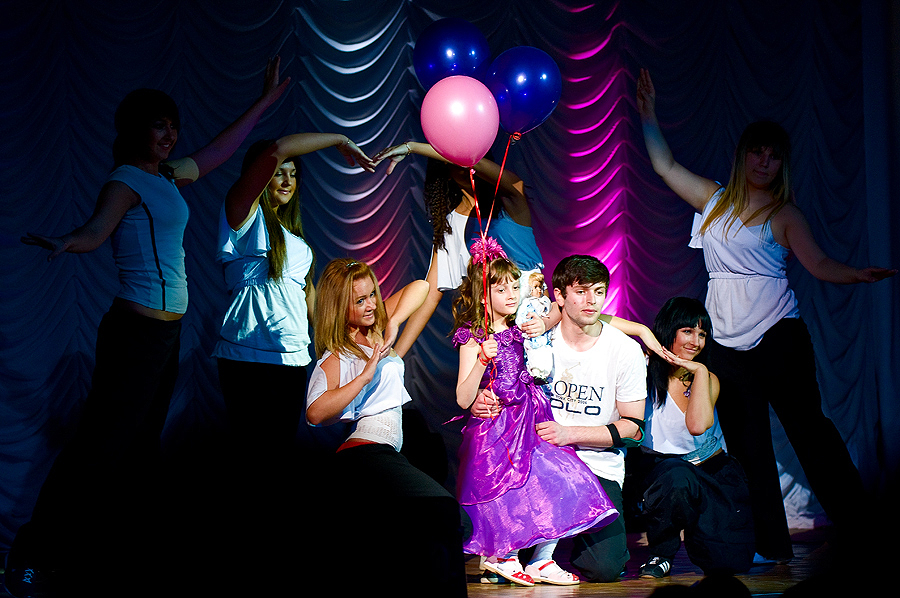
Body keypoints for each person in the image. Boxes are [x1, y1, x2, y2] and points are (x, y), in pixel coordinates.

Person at [11, 58, 289, 596]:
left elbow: (218, 152)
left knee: (139, 450)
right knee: (97, 448)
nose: (169, 134)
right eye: (158, 125)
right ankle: (31, 557)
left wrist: (263, 102)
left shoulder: (166, 175)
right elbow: (96, 230)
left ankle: (117, 556)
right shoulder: (126, 180)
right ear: (136, 129)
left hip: (165, 337)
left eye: (173, 126)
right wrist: (68, 241)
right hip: (133, 336)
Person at [636, 68, 896, 561]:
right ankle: (769, 544)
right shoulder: (714, 201)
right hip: (725, 344)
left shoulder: (784, 213)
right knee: (747, 445)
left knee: (811, 433)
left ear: (782, 164)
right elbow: (665, 166)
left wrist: (857, 275)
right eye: (757, 152)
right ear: (743, 156)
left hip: (778, 337)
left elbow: (819, 264)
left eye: (774, 156)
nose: (765, 162)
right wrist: (649, 114)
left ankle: (862, 529)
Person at [471, 254, 649, 582]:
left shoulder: (624, 350)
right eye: (581, 291)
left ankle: (552, 550)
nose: (592, 300)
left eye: (599, 291)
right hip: (534, 460)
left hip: (596, 466)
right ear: (559, 296)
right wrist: (479, 400)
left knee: (604, 568)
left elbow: (634, 429)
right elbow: (501, 380)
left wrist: (569, 434)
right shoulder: (535, 339)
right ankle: (516, 553)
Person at [305, 258, 467, 597]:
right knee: (445, 513)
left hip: (385, 453)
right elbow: (315, 414)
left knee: (415, 533)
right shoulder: (337, 356)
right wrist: (363, 377)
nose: (370, 305)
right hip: (365, 454)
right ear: (340, 306)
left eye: (372, 295)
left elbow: (422, 288)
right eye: (359, 300)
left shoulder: (377, 327)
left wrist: (392, 321)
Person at [373, 141, 547, 357]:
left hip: (537, 328)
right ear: (445, 169)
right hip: (495, 341)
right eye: (456, 161)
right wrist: (397, 356)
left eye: (472, 158)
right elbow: (431, 293)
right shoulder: (451, 224)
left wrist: (412, 147)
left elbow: (480, 166)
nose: (465, 166)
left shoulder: (511, 201)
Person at [636, 297, 754, 578]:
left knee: (730, 565)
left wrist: (699, 371)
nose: (696, 342)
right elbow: (600, 322)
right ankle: (661, 554)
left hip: (712, 468)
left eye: (702, 334)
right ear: (669, 330)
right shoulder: (642, 367)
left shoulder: (707, 377)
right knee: (677, 476)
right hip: (666, 470)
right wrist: (642, 333)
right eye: (687, 331)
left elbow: (697, 426)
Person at [515, 271, 553, 380]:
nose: (539, 290)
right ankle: (536, 373)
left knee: (546, 353)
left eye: (540, 287)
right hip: (532, 334)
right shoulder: (527, 303)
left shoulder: (544, 301)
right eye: (536, 287)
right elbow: (520, 317)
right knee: (534, 354)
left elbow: (550, 311)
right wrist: (524, 324)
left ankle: (544, 374)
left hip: (543, 335)